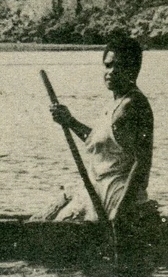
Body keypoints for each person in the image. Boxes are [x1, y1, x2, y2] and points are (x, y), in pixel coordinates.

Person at [41, 35, 156, 237]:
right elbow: (99, 141)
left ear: (133, 70)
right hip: (99, 190)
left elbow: (142, 162)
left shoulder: (133, 105)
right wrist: (70, 121)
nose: (110, 72)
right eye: (107, 66)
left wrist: (121, 211)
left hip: (117, 197)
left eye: (118, 66)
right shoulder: (114, 102)